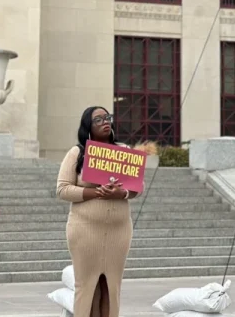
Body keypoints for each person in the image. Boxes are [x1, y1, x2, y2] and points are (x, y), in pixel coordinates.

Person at [56, 106, 142, 317]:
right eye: (98, 120)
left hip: (119, 230)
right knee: (87, 288)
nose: (105, 121)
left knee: (112, 287)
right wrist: (95, 193)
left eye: (107, 117)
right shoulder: (77, 153)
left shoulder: (123, 150)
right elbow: (63, 189)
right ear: (88, 126)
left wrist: (120, 193)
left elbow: (137, 188)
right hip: (85, 230)